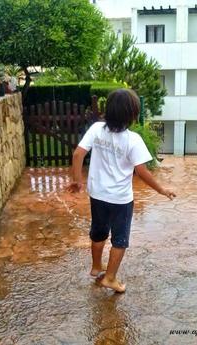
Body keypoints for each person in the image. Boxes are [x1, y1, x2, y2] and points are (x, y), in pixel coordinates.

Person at [67, 89, 176, 293]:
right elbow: (142, 171)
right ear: (132, 115)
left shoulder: (97, 129)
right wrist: (161, 189)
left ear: (108, 110)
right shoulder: (133, 140)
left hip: (97, 195)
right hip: (120, 200)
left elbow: (77, 154)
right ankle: (109, 278)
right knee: (120, 240)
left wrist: (77, 180)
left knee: (98, 233)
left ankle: (96, 267)